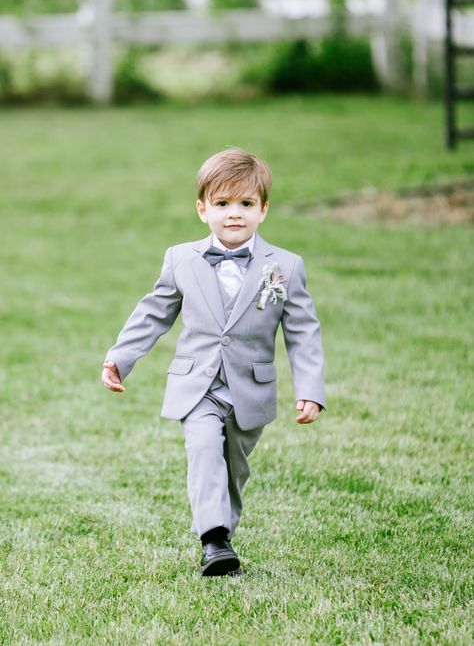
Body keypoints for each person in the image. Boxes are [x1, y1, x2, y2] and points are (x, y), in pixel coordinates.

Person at [102, 148, 326, 577]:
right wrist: (120, 358)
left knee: (233, 469)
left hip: (250, 388)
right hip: (197, 385)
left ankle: (222, 536)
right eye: (222, 204)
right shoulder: (180, 258)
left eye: (246, 204)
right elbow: (154, 313)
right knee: (203, 448)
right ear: (203, 209)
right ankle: (213, 540)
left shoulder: (285, 266)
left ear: (264, 210)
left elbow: (303, 333)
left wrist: (310, 390)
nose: (234, 214)